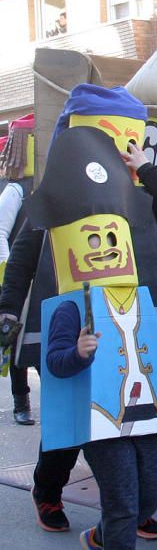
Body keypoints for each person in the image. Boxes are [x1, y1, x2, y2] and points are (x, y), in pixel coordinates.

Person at [0, 85, 157, 536]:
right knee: (75, 419)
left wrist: (147, 170)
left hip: (127, 319)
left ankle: (133, 507)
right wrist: (8, 310)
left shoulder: (135, 199)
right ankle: (49, 488)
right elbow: (25, 253)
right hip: (67, 321)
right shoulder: (54, 195)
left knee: (136, 416)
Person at [0, 114, 35, 425]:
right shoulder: (16, 189)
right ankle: (20, 400)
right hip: (19, 274)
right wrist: (8, 266)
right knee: (18, 339)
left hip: (48, 275)